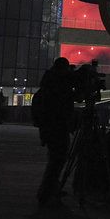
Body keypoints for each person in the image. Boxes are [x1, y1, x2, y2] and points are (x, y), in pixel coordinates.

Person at [34, 57, 75, 207]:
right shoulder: (56, 87)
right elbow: (64, 107)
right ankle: (46, 192)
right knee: (57, 161)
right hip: (57, 128)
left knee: (55, 160)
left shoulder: (48, 84)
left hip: (50, 129)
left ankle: (52, 188)